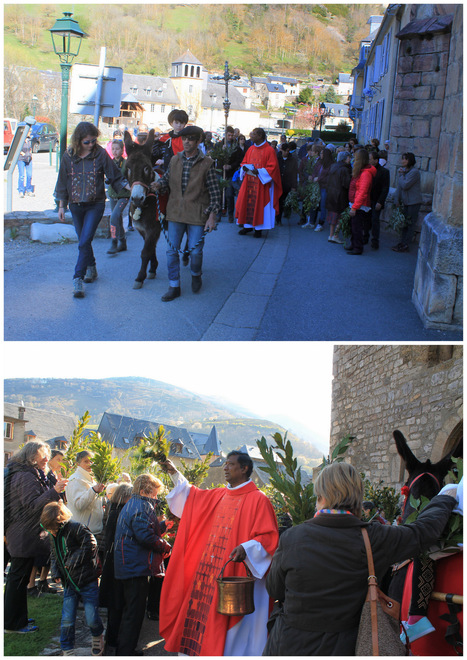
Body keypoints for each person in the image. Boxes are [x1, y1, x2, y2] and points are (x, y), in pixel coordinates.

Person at [263, 462, 459, 656]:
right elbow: (422, 532)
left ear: (320, 495)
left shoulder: (292, 537)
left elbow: (274, 589)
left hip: (288, 644)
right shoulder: (374, 537)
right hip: (345, 646)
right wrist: (446, 496)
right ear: (357, 496)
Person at [159, 451, 279, 656]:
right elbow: (192, 497)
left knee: (232, 635)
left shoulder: (259, 500)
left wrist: (247, 548)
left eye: (231, 464)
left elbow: (269, 539)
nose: (225, 467)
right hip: (208, 576)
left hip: (237, 580)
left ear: (244, 469)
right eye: (225, 463)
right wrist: (174, 473)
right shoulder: (219, 495)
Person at [54, 121, 130, 299]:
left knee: (84, 241)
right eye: (87, 142)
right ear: (78, 141)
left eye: (93, 141)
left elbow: (115, 176)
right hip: (75, 204)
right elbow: (62, 181)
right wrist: (61, 206)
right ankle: (92, 268)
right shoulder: (68, 156)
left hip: (95, 204)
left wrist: (130, 190)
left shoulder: (101, 154)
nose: (91, 144)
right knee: (83, 240)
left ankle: (77, 278)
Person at [152, 125, 221, 302]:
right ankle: (174, 285)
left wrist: (212, 216)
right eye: (184, 139)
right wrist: (159, 185)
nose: (187, 142)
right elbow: (166, 179)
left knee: (196, 251)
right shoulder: (175, 160)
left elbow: (215, 193)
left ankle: (196, 273)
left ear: (199, 141)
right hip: (175, 212)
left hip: (197, 213)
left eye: (191, 139)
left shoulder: (207, 164)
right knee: (171, 251)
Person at [4, 440, 67, 634]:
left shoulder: (30, 474)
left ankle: (17, 618)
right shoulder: (25, 476)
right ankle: (13, 624)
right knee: (17, 579)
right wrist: (54, 491)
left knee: (19, 579)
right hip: (23, 534)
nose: (47, 459)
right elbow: (32, 505)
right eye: (43, 455)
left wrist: (54, 488)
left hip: (25, 533)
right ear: (32, 456)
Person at [113, 474, 171, 656]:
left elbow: (143, 529)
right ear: (144, 491)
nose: (155, 497)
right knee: (134, 612)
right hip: (135, 566)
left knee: (130, 609)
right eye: (154, 494)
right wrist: (165, 545)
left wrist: (163, 526)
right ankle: (126, 651)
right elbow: (144, 536)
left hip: (129, 563)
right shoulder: (142, 505)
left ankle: (122, 647)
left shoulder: (133, 503)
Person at [40, 501, 104, 656]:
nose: (52, 532)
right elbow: (55, 555)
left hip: (87, 580)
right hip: (69, 582)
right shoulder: (52, 534)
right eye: (48, 530)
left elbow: (90, 543)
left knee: (91, 616)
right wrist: (55, 572)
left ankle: (97, 636)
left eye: (53, 529)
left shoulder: (76, 528)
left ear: (60, 522)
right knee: (67, 619)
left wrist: (72, 561)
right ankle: (67, 649)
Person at [98, 483, 132, 654]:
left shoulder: (113, 510)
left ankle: (112, 641)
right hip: (116, 564)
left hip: (112, 563)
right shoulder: (120, 513)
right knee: (117, 604)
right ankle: (114, 643)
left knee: (115, 605)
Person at [235, 127, 282, 238]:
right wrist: (244, 168)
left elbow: (273, 168)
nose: (251, 135)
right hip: (249, 182)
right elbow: (244, 162)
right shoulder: (251, 149)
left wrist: (259, 171)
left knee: (260, 205)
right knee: (247, 203)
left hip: (262, 184)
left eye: (254, 134)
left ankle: (258, 229)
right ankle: (247, 226)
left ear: (260, 136)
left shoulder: (269, 150)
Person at [65, 450, 105, 536]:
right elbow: (79, 504)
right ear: (78, 464)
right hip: (81, 531)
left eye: (91, 461)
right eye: (86, 461)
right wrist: (93, 491)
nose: (90, 464)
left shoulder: (91, 479)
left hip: (92, 530)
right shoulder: (76, 480)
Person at [346, 148, 376, 255]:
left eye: (356, 157)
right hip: (356, 203)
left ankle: (358, 247)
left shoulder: (365, 174)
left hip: (359, 205)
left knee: (357, 227)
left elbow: (362, 192)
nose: (354, 159)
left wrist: (355, 207)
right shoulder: (361, 171)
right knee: (353, 226)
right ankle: (354, 244)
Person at [392, 151, 422, 253]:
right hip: (406, 202)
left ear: (409, 160)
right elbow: (400, 187)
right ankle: (402, 242)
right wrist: (397, 199)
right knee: (404, 224)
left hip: (413, 202)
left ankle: (406, 244)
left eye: (404, 159)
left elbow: (405, 185)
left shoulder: (414, 172)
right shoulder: (405, 172)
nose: (402, 161)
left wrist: (401, 175)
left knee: (410, 224)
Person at [107, 139, 131, 255]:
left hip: (124, 195)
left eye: (117, 149)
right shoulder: (109, 162)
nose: (115, 151)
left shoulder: (126, 163)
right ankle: (123, 241)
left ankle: (114, 241)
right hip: (112, 194)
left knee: (114, 217)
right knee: (118, 218)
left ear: (122, 150)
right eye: (113, 149)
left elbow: (129, 178)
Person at [325, 150, 351, 244]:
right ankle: (335, 235)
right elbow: (346, 184)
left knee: (333, 216)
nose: (350, 159)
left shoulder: (334, 166)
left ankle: (331, 235)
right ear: (345, 158)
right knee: (340, 217)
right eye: (349, 157)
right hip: (340, 196)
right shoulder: (345, 169)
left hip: (332, 194)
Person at [221, 126, 245, 223]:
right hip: (221, 173)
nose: (230, 137)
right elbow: (215, 158)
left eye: (232, 135)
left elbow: (239, 160)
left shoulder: (236, 148)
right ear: (225, 135)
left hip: (231, 174)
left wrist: (230, 166)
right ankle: (218, 213)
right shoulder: (219, 144)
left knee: (229, 195)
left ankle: (230, 214)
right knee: (219, 195)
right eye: (229, 135)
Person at [367, 150, 390, 250]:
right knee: (366, 219)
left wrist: (380, 201)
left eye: (370, 159)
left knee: (375, 220)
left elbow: (385, 188)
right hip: (367, 199)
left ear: (376, 160)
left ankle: (375, 240)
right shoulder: (367, 170)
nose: (368, 161)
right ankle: (365, 236)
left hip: (376, 200)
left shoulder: (384, 172)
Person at [276, 143, 298, 225]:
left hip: (287, 184)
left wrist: (294, 186)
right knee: (278, 202)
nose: (286, 153)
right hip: (277, 183)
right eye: (284, 151)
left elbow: (294, 173)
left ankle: (280, 218)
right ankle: (277, 218)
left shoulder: (292, 160)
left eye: (288, 151)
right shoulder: (277, 158)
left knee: (283, 202)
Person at [313, 147, 334, 232]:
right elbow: (315, 171)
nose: (320, 155)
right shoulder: (319, 163)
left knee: (323, 205)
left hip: (324, 187)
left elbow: (329, 178)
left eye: (322, 153)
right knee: (315, 203)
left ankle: (321, 222)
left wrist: (319, 179)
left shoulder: (331, 165)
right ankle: (312, 221)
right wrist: (314, 177)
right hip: (317, 186)